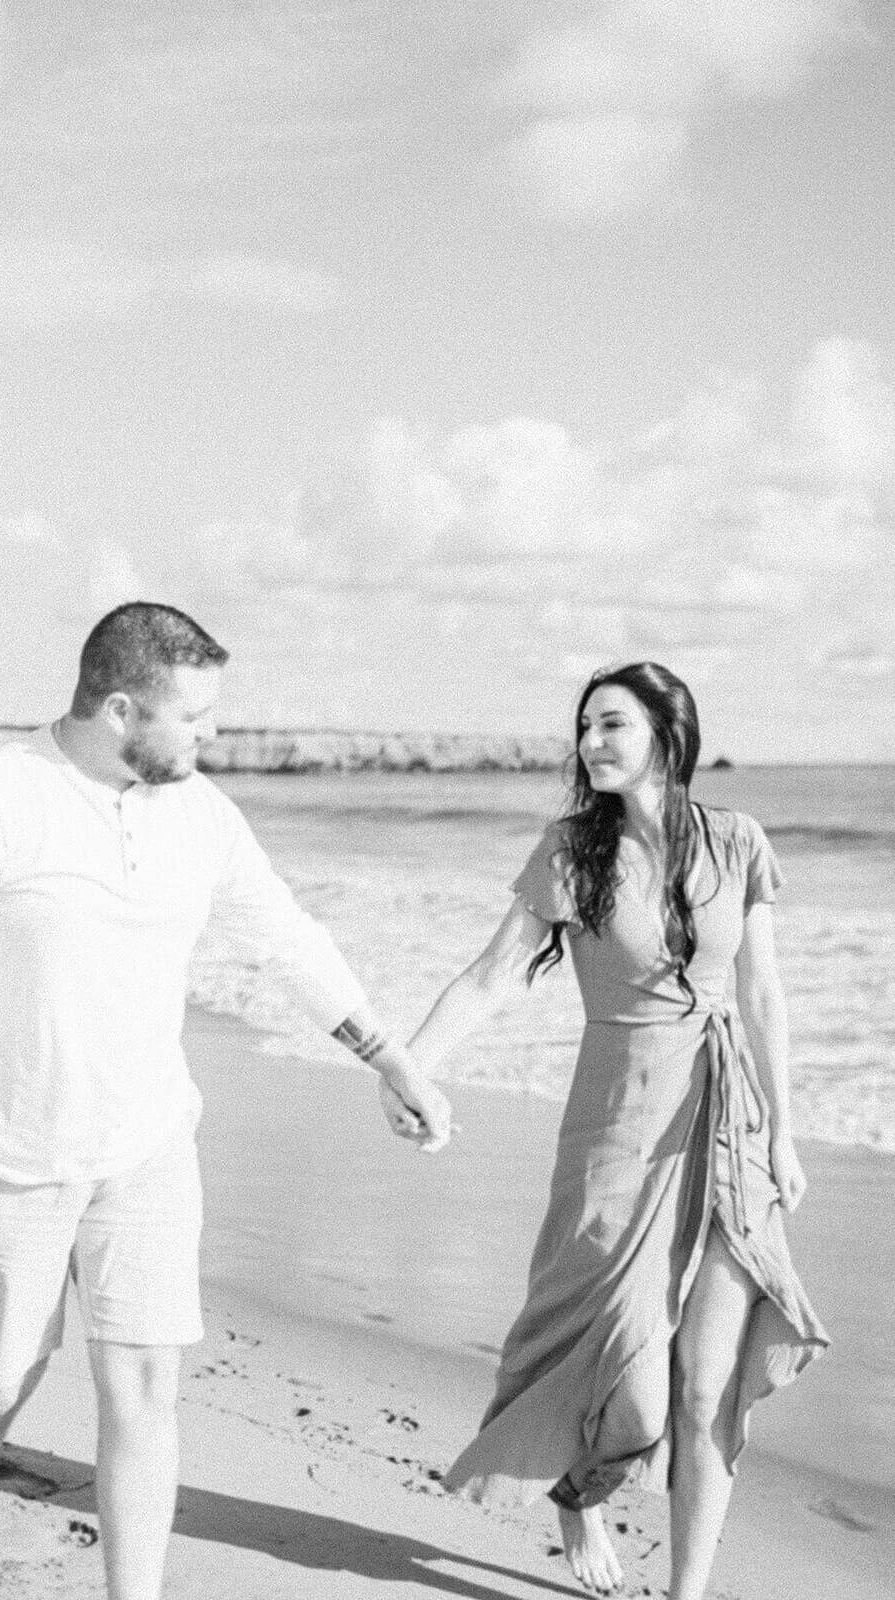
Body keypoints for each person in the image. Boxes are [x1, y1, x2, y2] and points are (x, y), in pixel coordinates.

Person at [0, 601, 451, 1600]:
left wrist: (388, 1055)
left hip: (147, 1141)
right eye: (192, 716)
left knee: (145, 1385)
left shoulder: (200, 813)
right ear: (118, 709)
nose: (212, 734)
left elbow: (286, 937)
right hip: (6, 1146)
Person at [397, 662, 828, 1598]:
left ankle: (685, 1593)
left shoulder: (737, 841)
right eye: (585, 725)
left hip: (726, 1123)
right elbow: (489, 977)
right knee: (629, 1374)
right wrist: (408, 1066)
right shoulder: (572, 853)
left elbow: (761, 993)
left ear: (667, 735)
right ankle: (579, 1492)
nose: (590, 742)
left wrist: (783, 1134)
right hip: (618, 1123)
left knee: (706, 1378)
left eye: (612, 724)